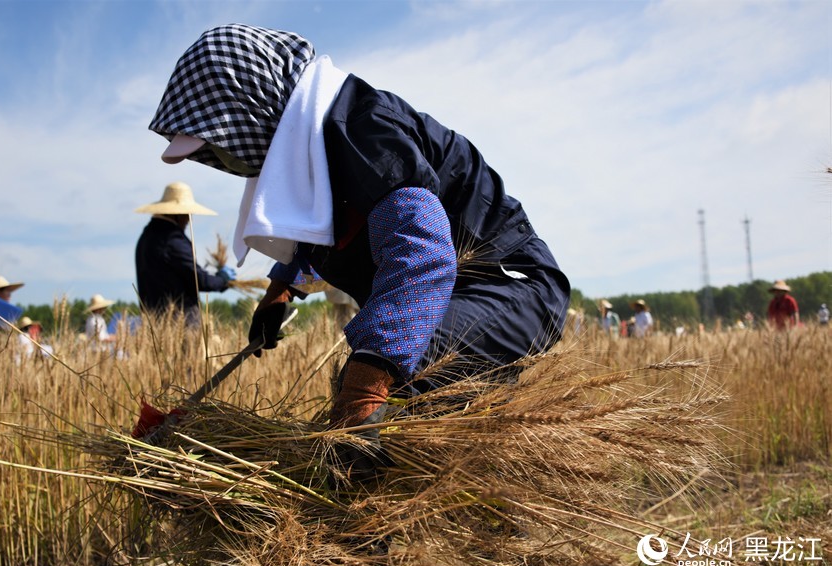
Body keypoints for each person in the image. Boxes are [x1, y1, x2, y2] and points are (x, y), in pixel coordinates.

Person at [149, 24, 570, 479]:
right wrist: (281, 292)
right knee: (421, 441)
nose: (229, 164)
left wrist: (363, 392)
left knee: (377, 378)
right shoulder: (315, 146)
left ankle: (364, 528)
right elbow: (329, 226)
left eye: (223, 150)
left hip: (508, 288)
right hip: (454, 297)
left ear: (251, 108)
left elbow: (421, 253)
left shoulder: (363, 132)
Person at [135, 182, 237, 327]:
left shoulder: (146, 237)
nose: (189, 220)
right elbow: (198, 280)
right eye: (187, 214)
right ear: (178, 213)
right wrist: (222, 280)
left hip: (153, 323)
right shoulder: (173, 241)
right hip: (179, 323)